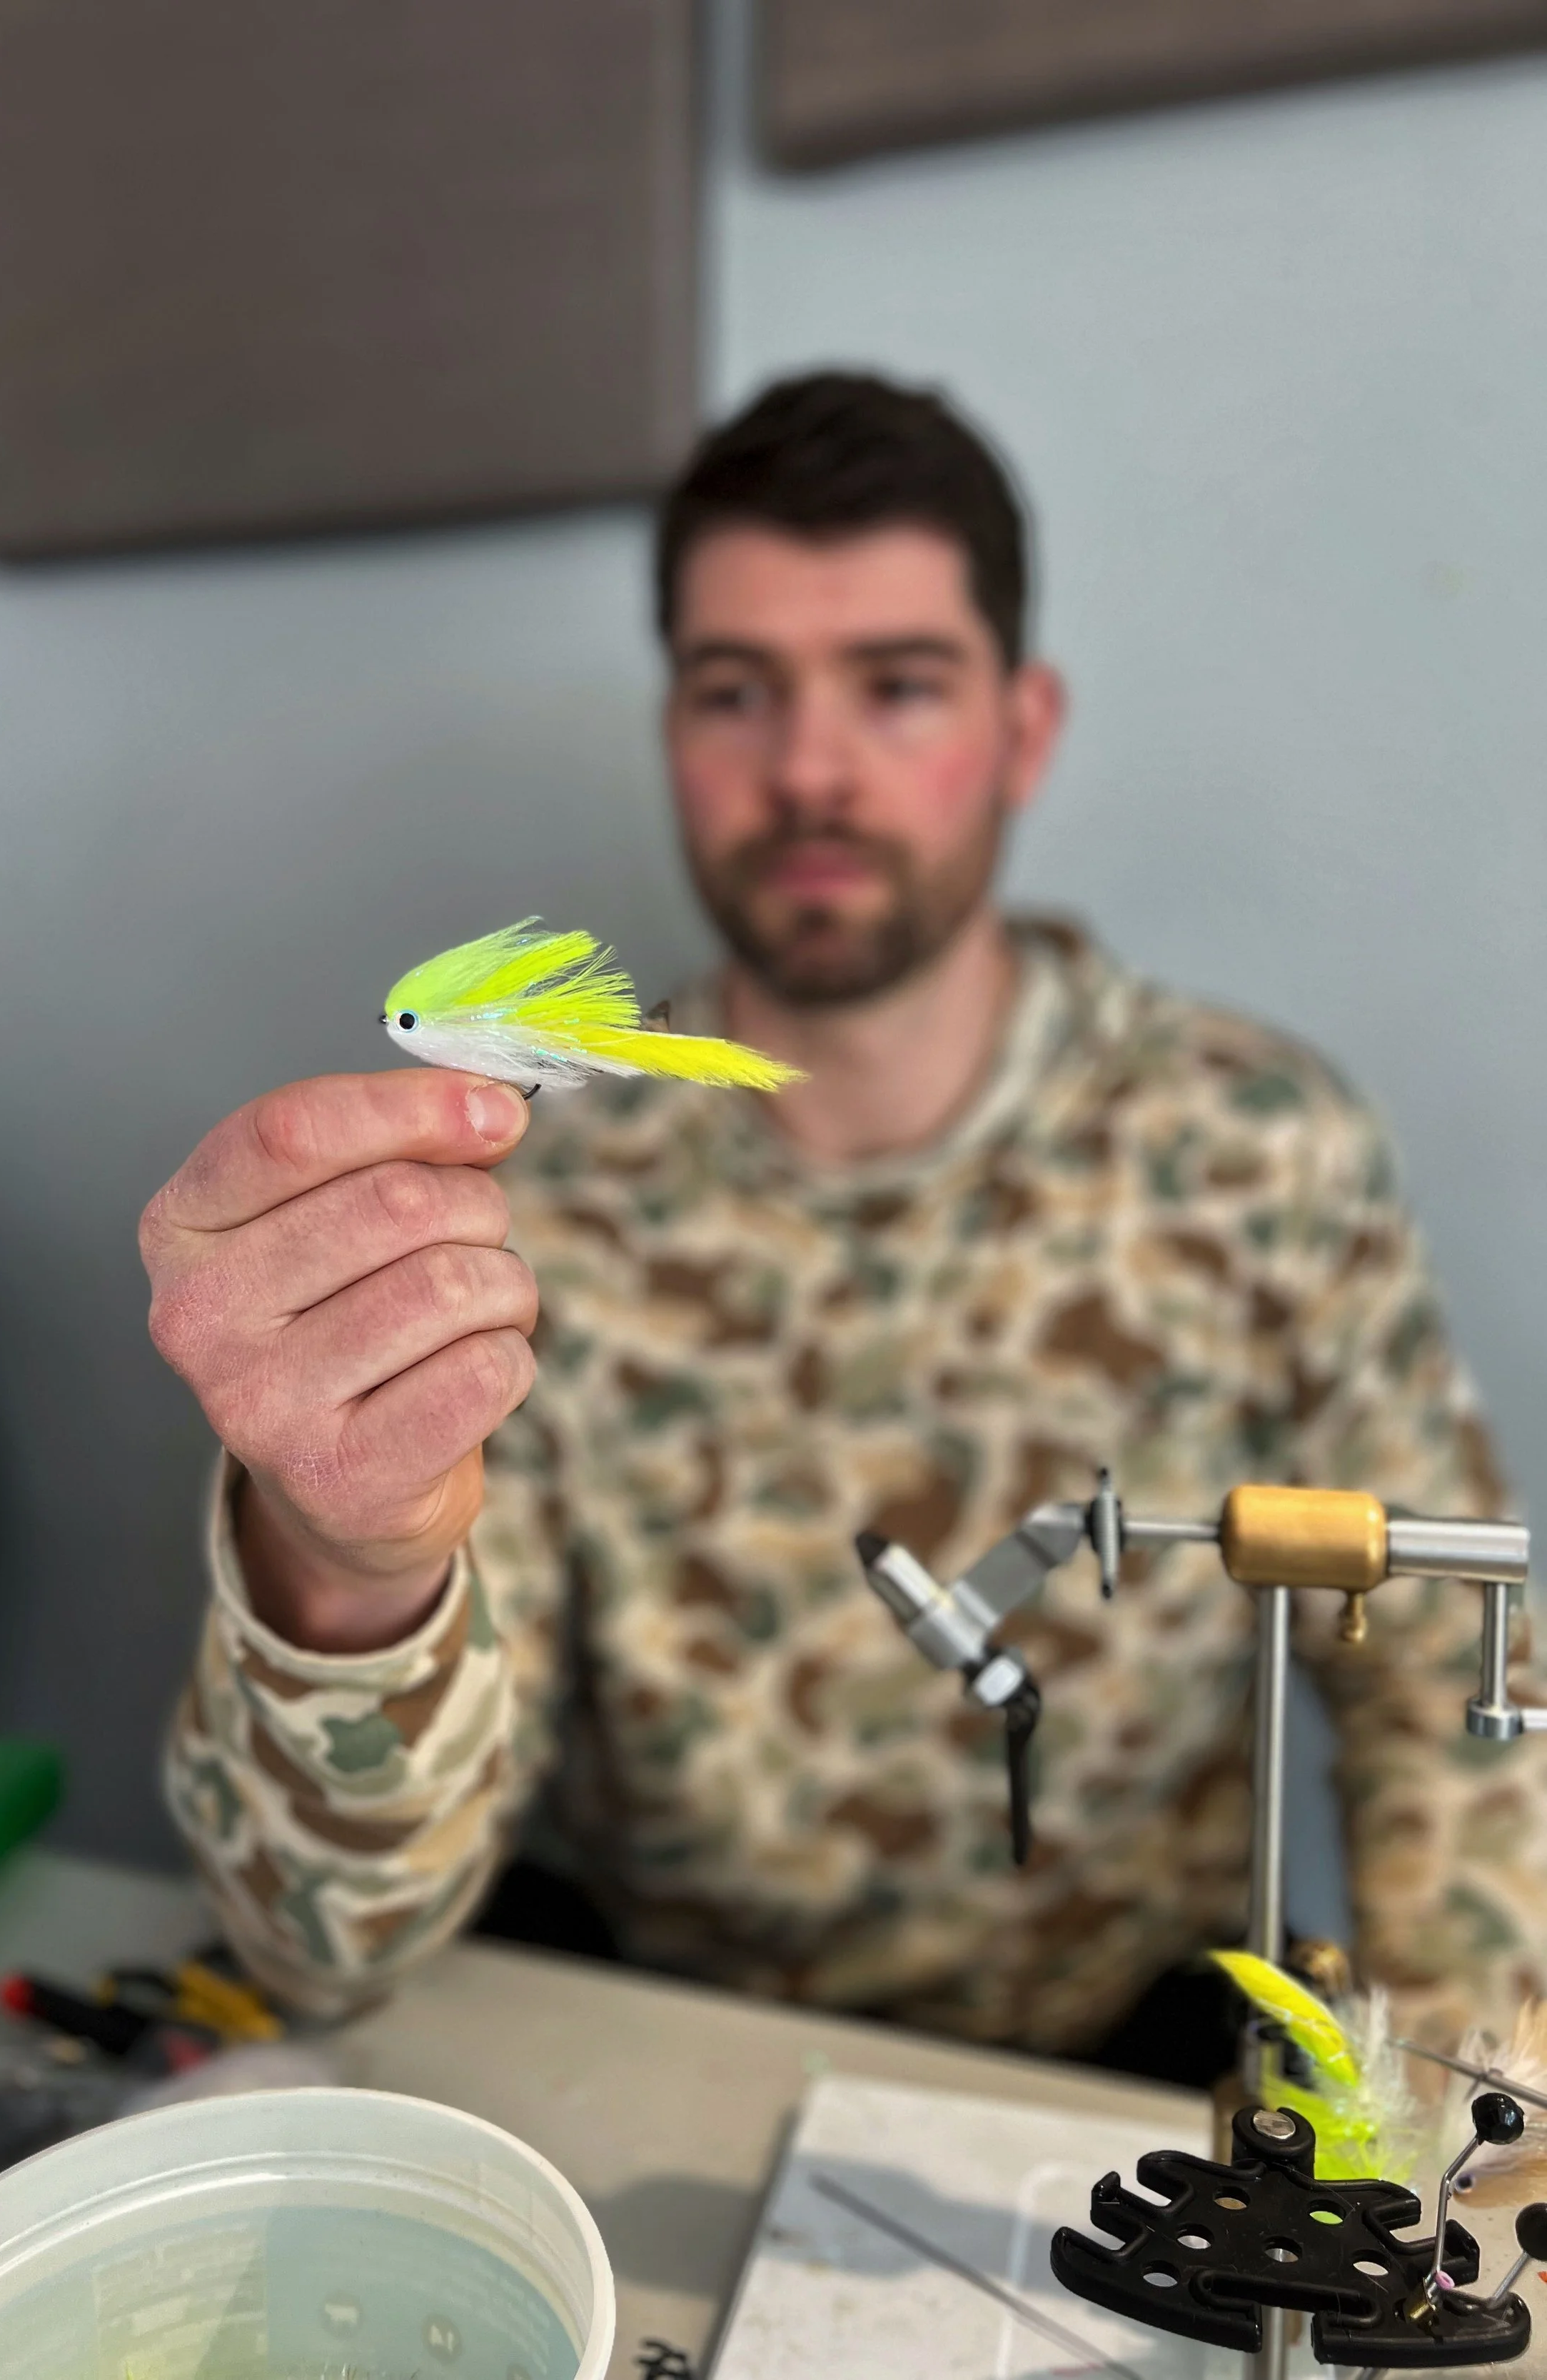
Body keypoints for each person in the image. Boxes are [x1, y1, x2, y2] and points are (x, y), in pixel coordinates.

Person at [141, 372, 1541, 2069]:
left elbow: (1450, 1690)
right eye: (736, 691)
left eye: (896, 687)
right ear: (672, 728)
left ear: (1021, 728)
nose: (808, 770)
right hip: (661, 2050)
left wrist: (1466, 2124)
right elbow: (321, 1945)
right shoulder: (529, 1213)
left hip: (1112, 2061)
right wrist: (340, 1573)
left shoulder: (1261, 1148)